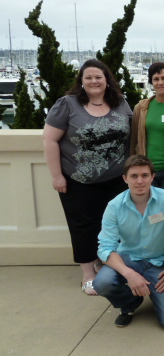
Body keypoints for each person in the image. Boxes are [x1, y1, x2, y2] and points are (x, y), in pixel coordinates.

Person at [43, 59, 132, 296]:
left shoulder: (121, 103)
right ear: (81, 81)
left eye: (98, 77)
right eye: (89, 77)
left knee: (114, 225)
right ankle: (88, 274)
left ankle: (109, 265)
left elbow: (131, 135)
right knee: (84, 227)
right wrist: (56, 176)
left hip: (117, 180)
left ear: (107, 80)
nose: (94, 81)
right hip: (78, 180)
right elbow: (50, 140)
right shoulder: (67, 105)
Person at [93, 155, 164, 329]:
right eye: (134, 176)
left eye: (144, 175)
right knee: (101, 283)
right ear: (125, 179)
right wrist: (129, 274)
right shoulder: (114, 206)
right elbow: (105, 247)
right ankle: (130, 303)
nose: (140, 181)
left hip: (160, 262)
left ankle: (154, 291)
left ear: (152, 177)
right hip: (129, 259)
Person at [130, 62, 164, 199]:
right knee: (150, 211)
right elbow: (133, 140)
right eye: (156, 79)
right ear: (151, 82)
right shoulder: (141, 108)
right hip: (147, 171)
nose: (160, 82)